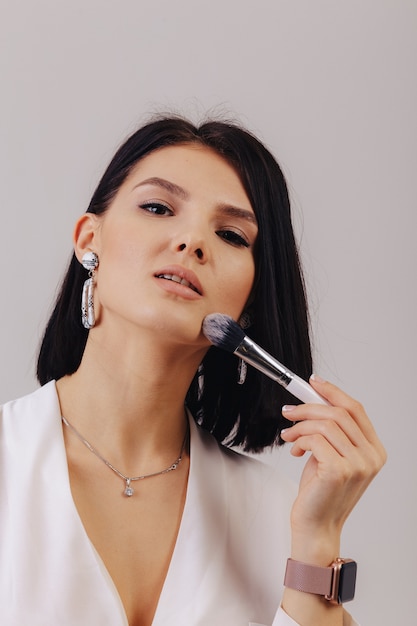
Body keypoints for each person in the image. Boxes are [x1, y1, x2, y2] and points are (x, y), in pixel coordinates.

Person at [0, 116, 386, 626]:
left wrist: (317, 548)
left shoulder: (283, 518)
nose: (192, 241)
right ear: (88, 239)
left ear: (249, 301)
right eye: (158, 207)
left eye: (230, 234)